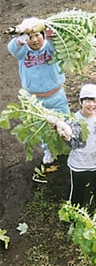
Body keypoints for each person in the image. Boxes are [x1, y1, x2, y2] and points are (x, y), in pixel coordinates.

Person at [7, 18, 70, 164]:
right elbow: (11, 48)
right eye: (30, 37)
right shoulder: (22, 52)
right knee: (42, 127)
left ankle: (67, 146)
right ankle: (49, 150)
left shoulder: (50, 47)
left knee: (65, 122)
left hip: (56, 95)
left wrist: (50, 34)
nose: (34, 40)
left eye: (37, 35)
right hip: (35, 99)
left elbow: (58, 44)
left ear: (43, 35)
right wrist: (21, 36)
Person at [63, 84, 96, 207]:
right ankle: (74, 216)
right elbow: (73, 145)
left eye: (94, 101)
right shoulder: (73, 120)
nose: (91, 105)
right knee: (77, 191)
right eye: (87, 101)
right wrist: (67, 139)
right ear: (81, 102)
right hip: (78, 164)